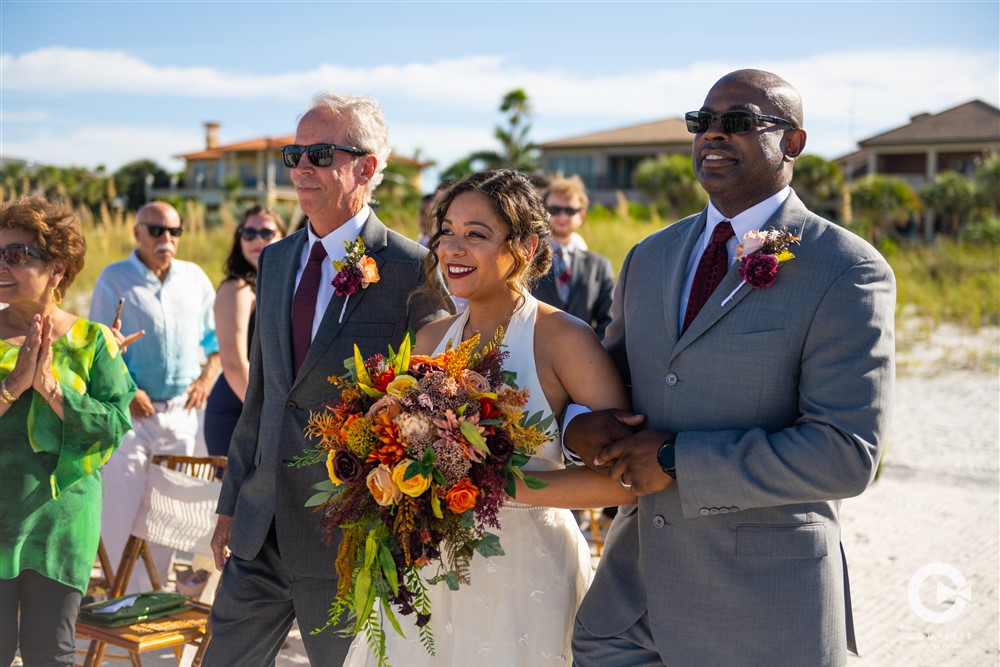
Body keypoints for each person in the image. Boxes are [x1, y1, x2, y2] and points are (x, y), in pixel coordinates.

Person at [566, 69, 896, 667]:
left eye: (738, 121)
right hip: (629, 606)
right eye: (702, 121)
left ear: (792, 142)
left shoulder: (846, 269)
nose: (713, 134)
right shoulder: (649, 256)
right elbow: (607, 382)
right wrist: (575, 426)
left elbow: (846, 454)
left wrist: (677, 459)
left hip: (759, 612)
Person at [344, 168, 635, 666]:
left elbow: (624, 482)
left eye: (476, 235)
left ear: (524, 246)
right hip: (432, 572)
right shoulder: (432, 339)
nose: (453, 249)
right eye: (447, 232)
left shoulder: (565, 339)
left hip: (526, 577)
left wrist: (498, 486)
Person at [204, 91, 453, 665]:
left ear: (366, 167)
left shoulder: (412, 268)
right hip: (259, 529)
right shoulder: (275, 260)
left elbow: (434, 401)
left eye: (319, 154)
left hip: (348, 535)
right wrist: (230, 503)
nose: (301, 168)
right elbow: (263, 397)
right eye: (294, 155)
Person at [0, 197, 136, 666]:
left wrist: (52, 389)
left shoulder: (93, 341)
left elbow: (115, 424)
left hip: (60, 528)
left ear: (56, 268)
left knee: (50, 654)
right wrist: (14, 386)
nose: (2, 265)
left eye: (16, 254)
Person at [89, 201, 220, 593]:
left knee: (168, 514)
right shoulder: (113, 278)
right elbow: (97, 345)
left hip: (182, 414)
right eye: (157, 230)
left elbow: (214, 341)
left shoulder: (195, 278)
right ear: (137, 232)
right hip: (130, 416)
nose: (167, 238)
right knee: (119, 509)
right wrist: (128, 390)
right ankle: (115, 599)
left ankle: (151, 600)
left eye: (174, 231)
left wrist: (207, 379)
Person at [203, 205, 286, 457]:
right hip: (238, 412)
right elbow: (234, 363)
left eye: (266, 233)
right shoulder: (237, 289)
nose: (257, 240)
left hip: (270, 406)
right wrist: (271, 417)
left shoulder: (282, 286)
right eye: (248, 233)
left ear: (284, 237)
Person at [532, 176, 615, 341]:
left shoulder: (599, 266)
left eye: (570, 211)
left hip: (585, 353)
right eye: (555, 210)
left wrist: (590, 350)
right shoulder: (527, 259)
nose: (562, 216)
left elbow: (609, 321)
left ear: (581, 216)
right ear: (544, 212)